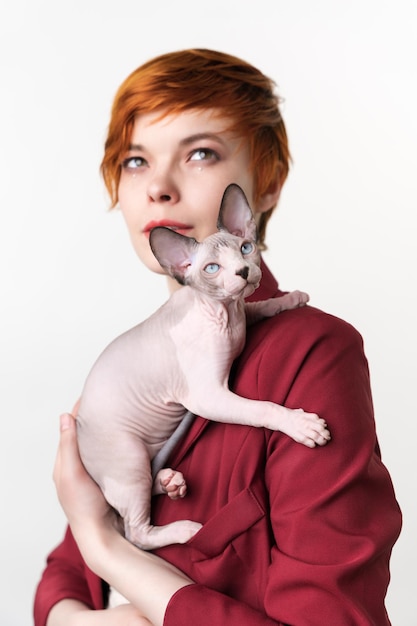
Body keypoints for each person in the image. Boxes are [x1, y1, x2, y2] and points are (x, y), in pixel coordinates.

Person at [34, 48, 402, 626]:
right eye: (135, 161)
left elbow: (94, 543)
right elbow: (62, 574)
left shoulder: (312, 355)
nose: (159, 186)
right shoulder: (134, 365)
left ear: (269, 184)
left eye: (200, 153)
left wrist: (112, 557)